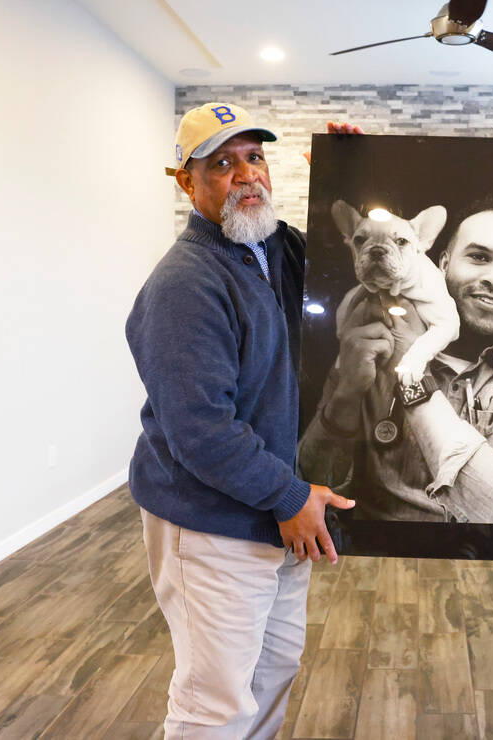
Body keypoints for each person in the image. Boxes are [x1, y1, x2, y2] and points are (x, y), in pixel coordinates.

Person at [126, 102, 361, 738]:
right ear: (186, 180)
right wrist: (290, 494)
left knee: (272, 673)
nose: (246, 175)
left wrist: (346, 182)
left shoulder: (269, 250)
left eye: (254, 157)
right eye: (223, 164)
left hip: (279, 516)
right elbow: (200, 429)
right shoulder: (186, 283)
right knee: (216, 701)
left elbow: (346, 278)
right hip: (215, 521)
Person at [298, 193, 493, 526]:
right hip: (376, 559)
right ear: (442, 262)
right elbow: (310, 487)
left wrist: (410, 372)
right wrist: (346, 393)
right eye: (478, 257)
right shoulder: (365, 339)